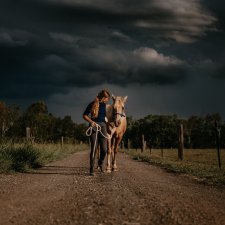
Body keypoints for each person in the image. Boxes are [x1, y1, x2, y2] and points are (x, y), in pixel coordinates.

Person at [83, 89, 110, 176]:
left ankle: (100, 163)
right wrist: (91, 122)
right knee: (94, 148)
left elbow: (105, 117)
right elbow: (84, 115)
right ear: (103, 97)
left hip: (103, 126)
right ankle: (91, 170)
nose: (107, 100)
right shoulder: (92, 104)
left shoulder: (105, 106)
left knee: (104, 149)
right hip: (94, 126)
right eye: (107, 98)